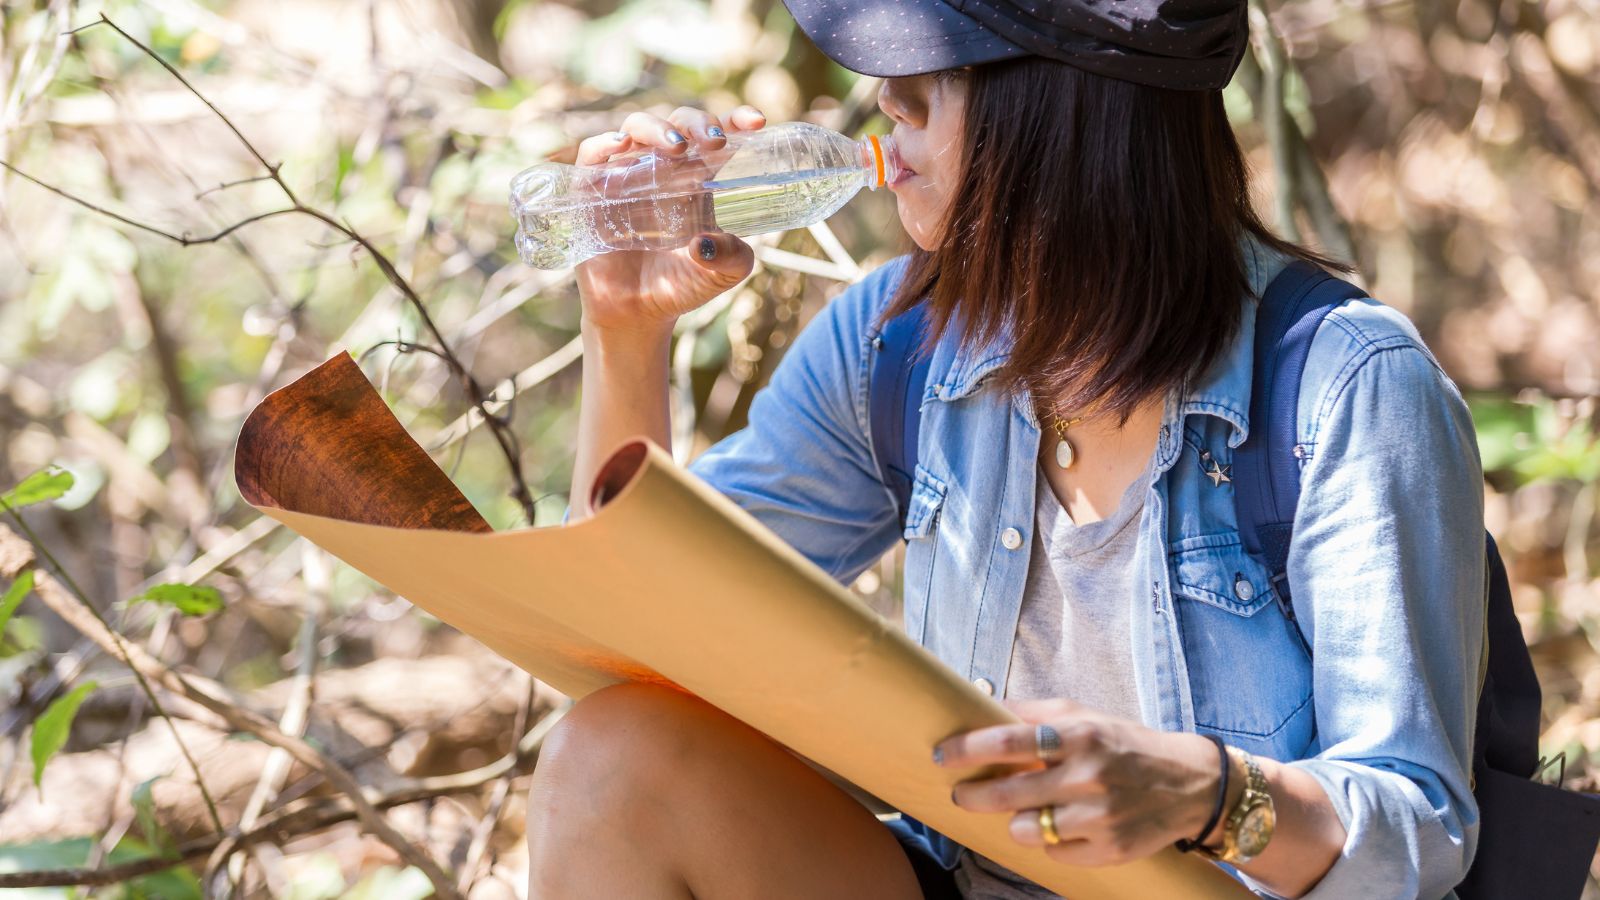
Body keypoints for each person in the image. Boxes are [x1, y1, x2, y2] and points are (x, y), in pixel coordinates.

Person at [527, 1, 1486, 897]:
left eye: (930, 67)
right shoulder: (894, 344)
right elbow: (638, 644)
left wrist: (1205, 795)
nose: (887, 100)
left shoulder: (1343, 386)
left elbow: (1417, 827)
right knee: (609, 756)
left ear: (1068, 107)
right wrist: (625, 329)